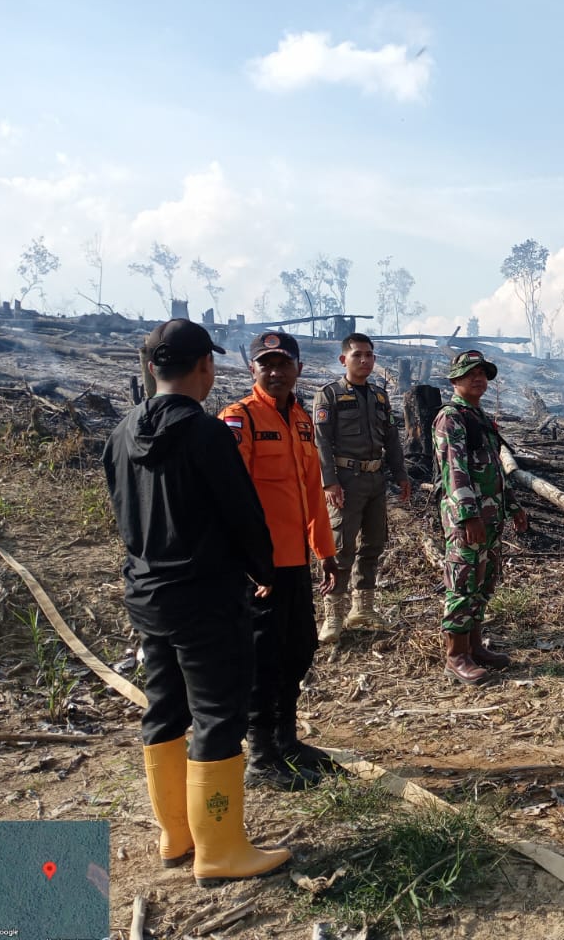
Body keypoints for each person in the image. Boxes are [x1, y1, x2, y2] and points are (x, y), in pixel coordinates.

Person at [102, 319, 290, 887]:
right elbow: (241, 513)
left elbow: (121, 514)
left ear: (153, 368)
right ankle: (220, 848)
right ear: (204, 367)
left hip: (149, 596)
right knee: (218, 715)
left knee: (163, 709)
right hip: (207, 599)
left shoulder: (119, 434)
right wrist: (264, 571)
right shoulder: (207, 435)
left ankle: (176, 836)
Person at [220, 331, 340, 788]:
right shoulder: (239, 419)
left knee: (299, 648)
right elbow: (230, 498)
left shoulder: (303, 422)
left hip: (294, 564)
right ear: (252, 370)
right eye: (265, 364)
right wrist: (247, 562)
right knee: (262, 656)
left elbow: (312, 495)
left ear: (298, 370)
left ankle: (287, 740)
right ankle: (260, 756)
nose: (275, 371)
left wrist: (324, 552)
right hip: (258, 569)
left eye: (283, 363)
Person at [432, 350, 528, 686]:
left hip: (490, 516)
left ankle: (474, 646)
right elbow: (454, 472)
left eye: (484, 374)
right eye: (471, 373)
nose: (479, 379)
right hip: (468, 520)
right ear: (455, 379)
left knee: (483, 581)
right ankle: (456, 655)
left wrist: (513, 507)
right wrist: (468, 516)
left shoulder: (480, 417)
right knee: (463, 582)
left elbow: (495, 472)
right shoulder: (451, 418)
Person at [313, 333, 411, 643]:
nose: (365, 360)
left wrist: (402, 475)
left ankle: (363, 609)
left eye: (369, 355)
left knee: (373, 544)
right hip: (345, 481)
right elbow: (320, 442)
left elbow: (392, 441)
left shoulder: (380, 397)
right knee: (341, 548)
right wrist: (329, 481)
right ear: (344, 360)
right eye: (358, 355)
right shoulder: (328, 395)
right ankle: (333, 616)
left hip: (374, 480)